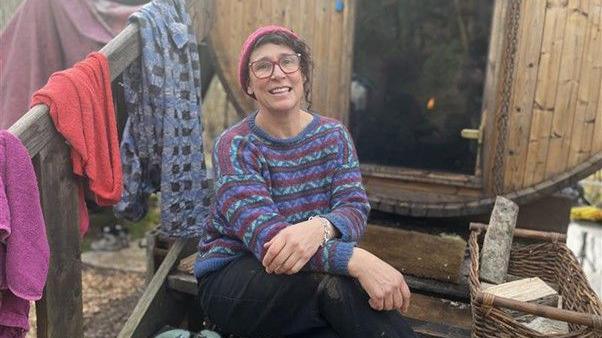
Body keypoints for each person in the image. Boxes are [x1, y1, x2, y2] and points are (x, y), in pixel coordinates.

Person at [195, 25, 416, 338]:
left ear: (302, 72)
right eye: (262, 66)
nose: (277, 73)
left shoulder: (333, 136)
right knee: (336, 283)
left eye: (287, 61)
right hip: (235, 280)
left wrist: (320, 227)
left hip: (307, 279)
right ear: (248, 85)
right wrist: (358, 259)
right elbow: (271, 243)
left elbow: (353, 207)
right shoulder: (235, 145)